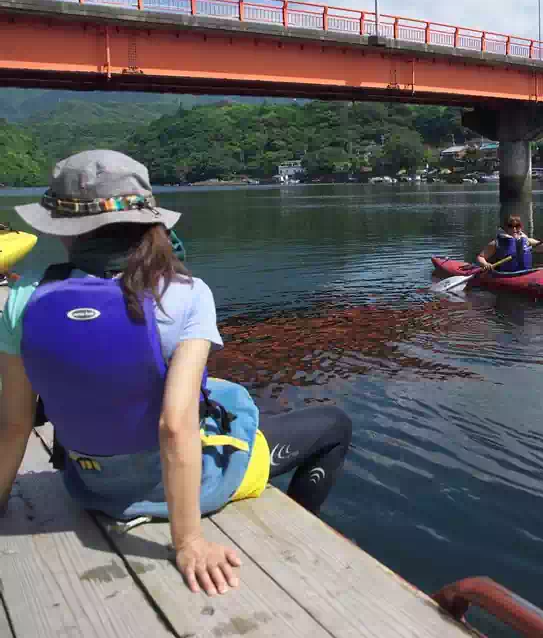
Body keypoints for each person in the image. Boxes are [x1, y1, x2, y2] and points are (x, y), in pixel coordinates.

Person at [0, 150, 352, 598]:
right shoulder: (186, 295)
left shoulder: (22, 300)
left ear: (65, 232)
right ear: (150, 221)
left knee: (225, 394)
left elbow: (13, 424)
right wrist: (188, 542)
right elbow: (174, 426)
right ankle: (303, 535)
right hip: (177, 490)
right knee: (333, 426)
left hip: (87, 485)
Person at [476, 214, 543, 273]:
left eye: (517, 226)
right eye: (511, 226)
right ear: (506, 228)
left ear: (521, 227)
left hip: (526, 274)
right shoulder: (496, 243)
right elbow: (480, 257)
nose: (514, 229)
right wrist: (486, 264)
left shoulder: (527, 241)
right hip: (505, 275)